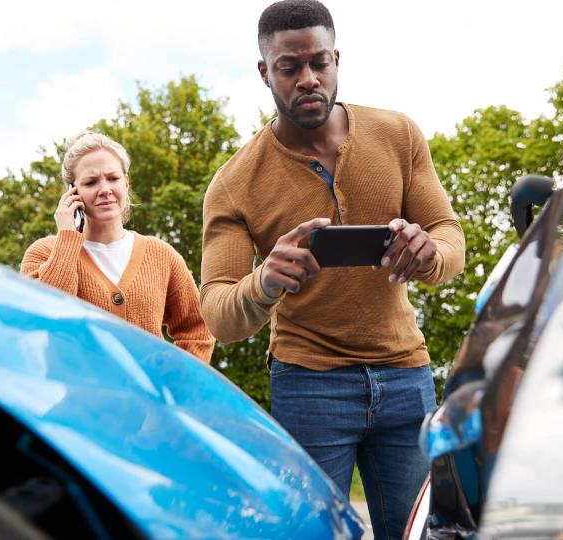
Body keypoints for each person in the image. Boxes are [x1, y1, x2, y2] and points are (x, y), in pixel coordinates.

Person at [198, 1, 465, 538]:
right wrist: (265, 281)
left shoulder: (398, 134)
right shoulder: (233, 182)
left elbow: (449, 236)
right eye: (289, 67)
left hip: (406, 375)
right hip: (309, 385)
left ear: (337, 58)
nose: (308, 79)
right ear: (264, 72)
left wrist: (427, 253)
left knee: (417, 534)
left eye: (319, 62)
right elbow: (219, 315)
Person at [22, 129, 215, 362]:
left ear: (125, 182)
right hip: (76, 397)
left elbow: (198, 330)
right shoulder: (43, 253)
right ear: (72, 192)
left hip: (147, 399)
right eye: (91, 182)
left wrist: (175, 382)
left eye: (113, 178)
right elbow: (48, 318)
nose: (105, 189)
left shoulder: (161, 255)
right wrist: (66, 237)